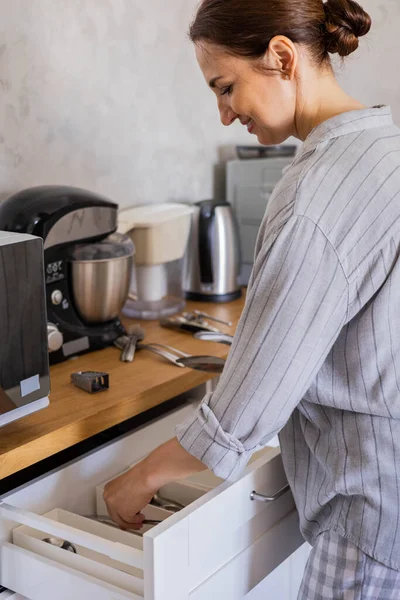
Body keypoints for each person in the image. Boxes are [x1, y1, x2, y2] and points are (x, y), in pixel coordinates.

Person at [104, 0, 400, 597]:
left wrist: (138, 479)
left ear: (282, 57)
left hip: (367, 511)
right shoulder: (384, 146)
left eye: (226, 87)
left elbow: (247, 407)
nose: (223, 114)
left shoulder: (316, 192)